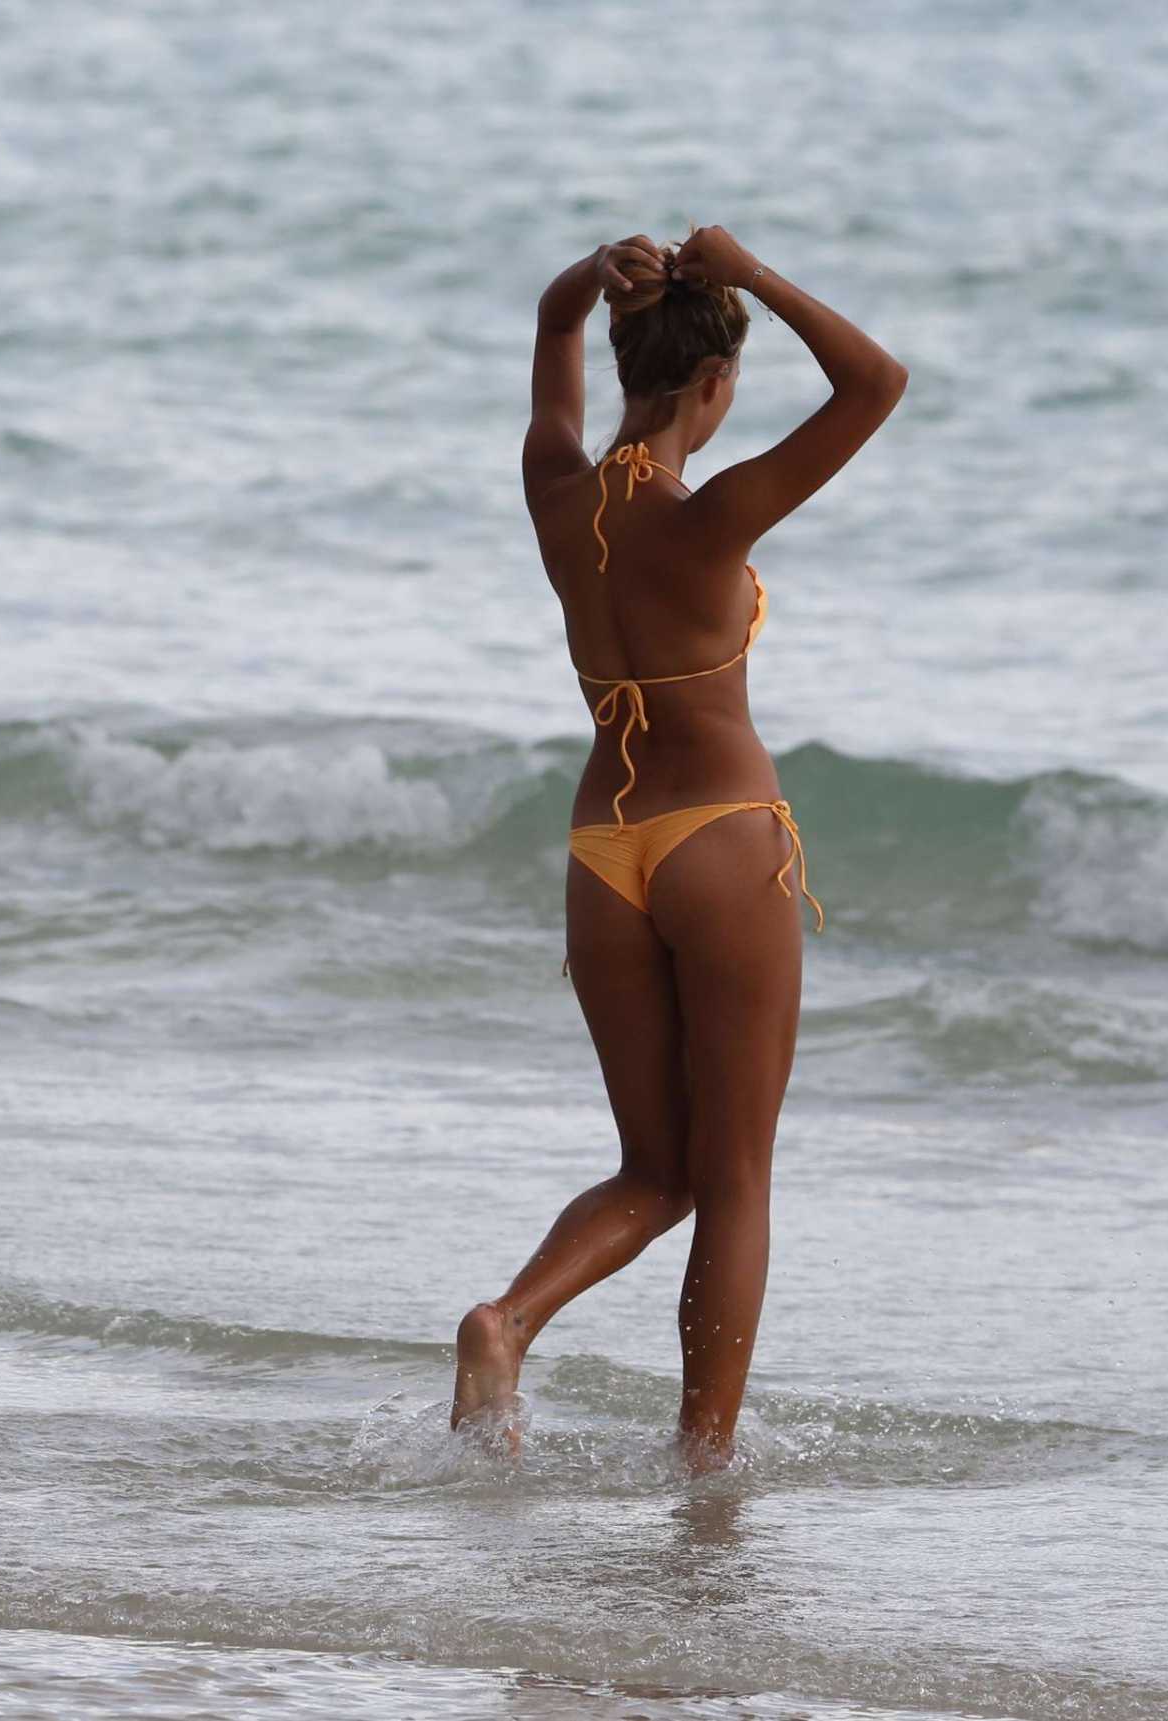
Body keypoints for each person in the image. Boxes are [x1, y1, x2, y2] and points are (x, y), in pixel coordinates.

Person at [450, 225, 908, 1472]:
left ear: (623, 361)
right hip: (720, 841)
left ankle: (509, 1318)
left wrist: (585, 278)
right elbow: (876, 383)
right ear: (714, 381)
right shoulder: (712, 518)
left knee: (655, 1169)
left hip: (605, 848)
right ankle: (704, 1469)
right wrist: (754, 275)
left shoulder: (556, 492)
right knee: (736, 1176)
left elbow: (551, 330)